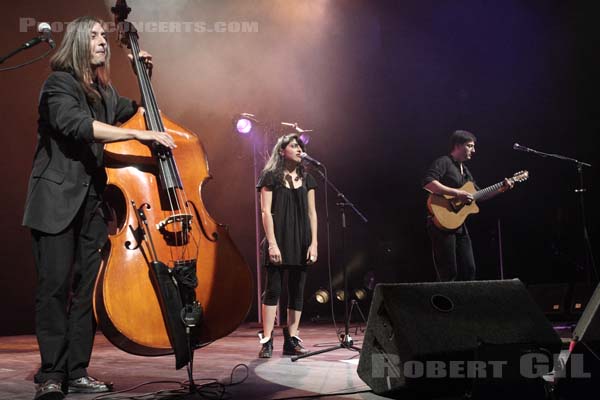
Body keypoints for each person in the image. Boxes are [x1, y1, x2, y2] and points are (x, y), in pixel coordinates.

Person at [22, 16, 175, 400]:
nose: (102, 41)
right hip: (55, 201)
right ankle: (51, 374)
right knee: (54, 289)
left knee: (87, 292)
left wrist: (145, 77)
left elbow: (137, 113)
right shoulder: (58, 84)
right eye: (93, 36)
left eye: (104, 36)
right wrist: (138, 133)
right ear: (76, 42)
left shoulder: (105, 93)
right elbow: (78, 125)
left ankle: (77, 371)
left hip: (93, 203)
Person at [256, 134, 318, 358]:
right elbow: (265, 212)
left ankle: (292, 339)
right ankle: (267, 339)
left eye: (300, 146)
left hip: (301, 240)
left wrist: (314, 243)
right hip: (279, 239)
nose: (300, 149)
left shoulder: (308, 179)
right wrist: (272, 244)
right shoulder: (270, 176)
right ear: (282, 151)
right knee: (273, 290)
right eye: (294, 146)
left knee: (297, 291)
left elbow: (313, 214)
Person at [422, 130, 511, 282]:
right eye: (469, 146)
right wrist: (457, 194)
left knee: (470, 269)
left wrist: (501, 189)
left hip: (459, 224)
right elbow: (428, 183)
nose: (473, 150)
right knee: (448, 272)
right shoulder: (444, 162)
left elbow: (478, 195)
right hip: (441, 223)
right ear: (457, 146)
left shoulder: (466, 171)